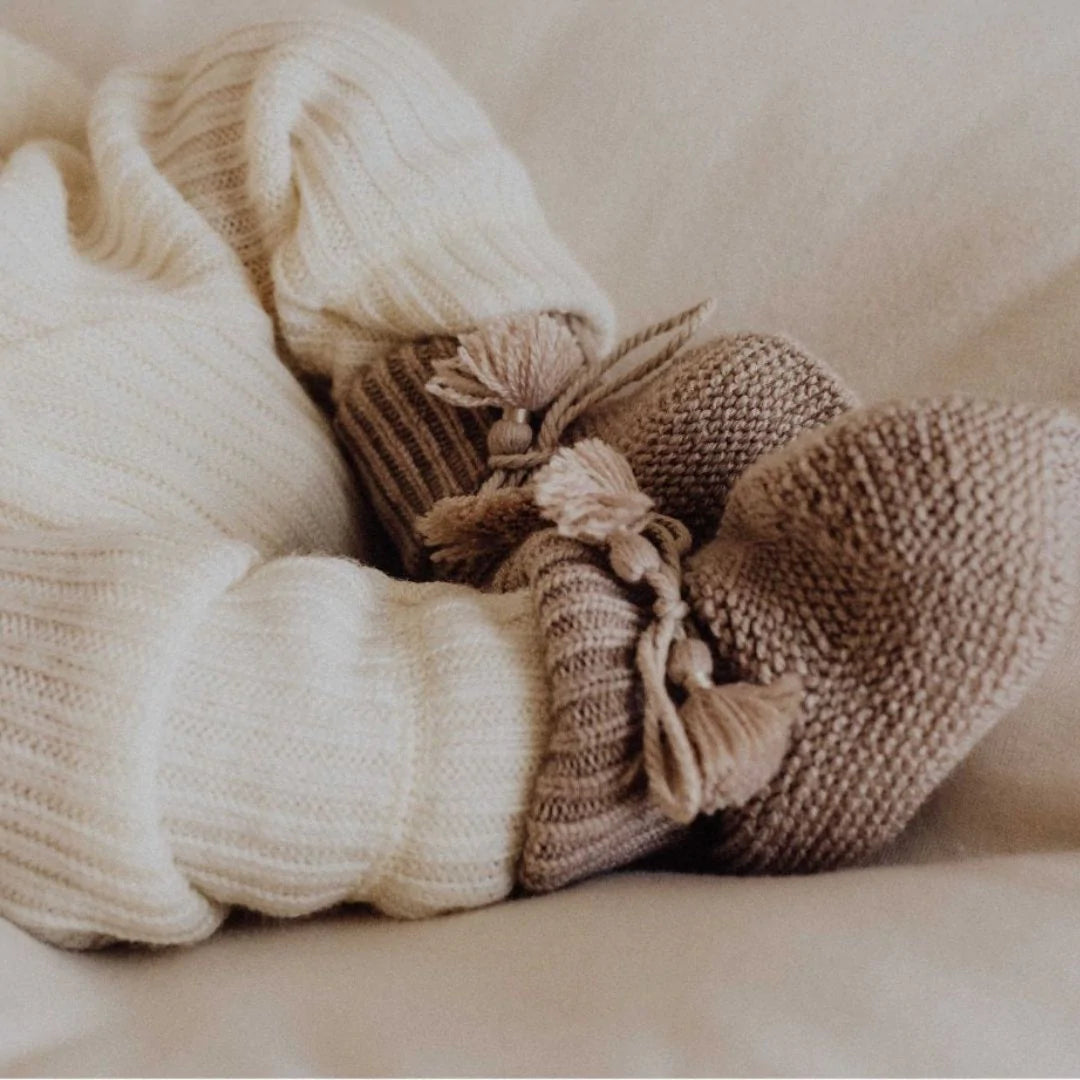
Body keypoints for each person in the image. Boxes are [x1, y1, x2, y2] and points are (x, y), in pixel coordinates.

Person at [2, 9, 1076, 951]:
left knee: (308, 84)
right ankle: (611, 716)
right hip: (74, 590)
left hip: (115, 251)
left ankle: (513, 457)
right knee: (49, 705)